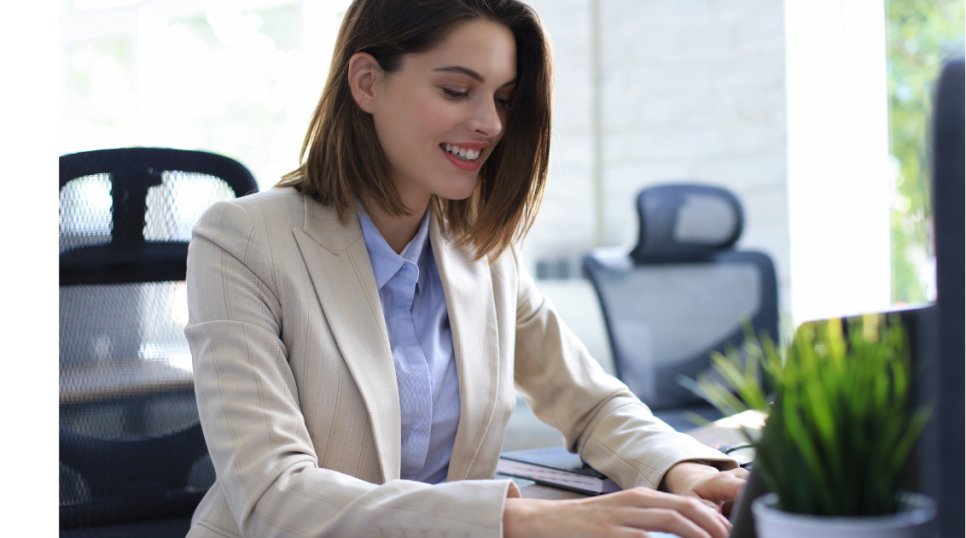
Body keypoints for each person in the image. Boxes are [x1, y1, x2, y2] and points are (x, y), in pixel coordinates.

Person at [183, 1, 749, 537]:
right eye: (457, 90)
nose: (492, 124)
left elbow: (593, 402)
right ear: (367, 82)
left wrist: (686, 472)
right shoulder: (242, 240)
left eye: (503, 99)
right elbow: (275, 498)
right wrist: (520, 522)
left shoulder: (481, 247)